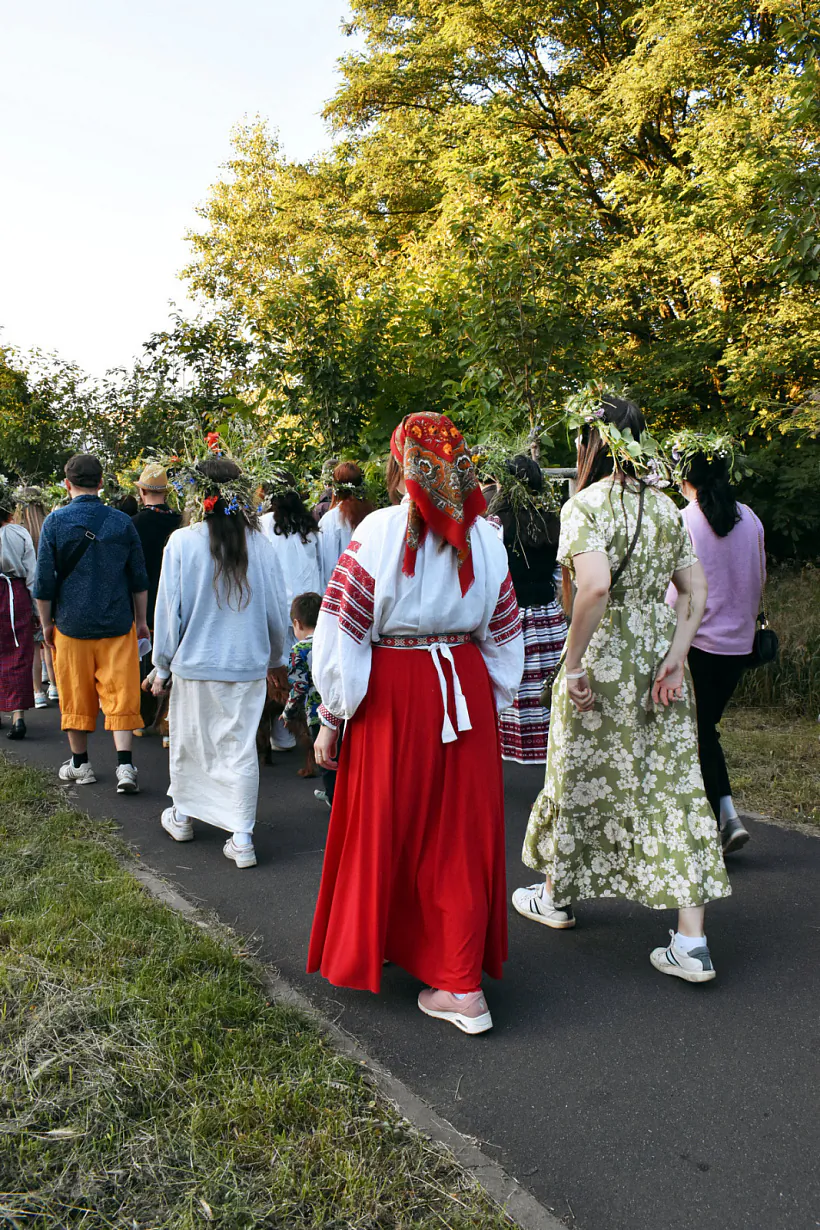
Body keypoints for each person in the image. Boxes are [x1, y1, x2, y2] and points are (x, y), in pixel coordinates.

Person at [310, 413, 524, 1035]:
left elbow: (344, 627)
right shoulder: (485, 536)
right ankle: (457, 980)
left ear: (401, 463)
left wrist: (332, 716)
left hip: (395, 692)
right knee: (458, 837)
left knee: (388, 823)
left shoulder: (377, 530)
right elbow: (505, 630)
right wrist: (491, 701)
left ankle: (414, 959)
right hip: (464, 688)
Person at [514, 396, 731, 984]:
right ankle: (692, 943)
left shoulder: (583, 506)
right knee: (672, 783)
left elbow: (594, 587)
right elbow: (696, 590)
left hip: (603, 658)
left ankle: (556, 897)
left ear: (589, 442)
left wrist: (574, 666)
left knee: (576, 772)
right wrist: (675, 657)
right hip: (658, 657)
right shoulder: (665, 507)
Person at [152, 453, 288, 870]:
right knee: (239, 750)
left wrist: (161, 666)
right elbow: (276, 609)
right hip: (246, 664)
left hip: (195, 663)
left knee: (191, 744)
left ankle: (183, 817)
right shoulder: (260, 544)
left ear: (199, 494)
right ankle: (241, 837)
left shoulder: (183, 541)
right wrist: (277, 658)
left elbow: (169, 611)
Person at [668, 443, 764, 854]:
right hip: (739, 643)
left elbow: (674, 592)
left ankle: (715, 824)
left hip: (697, 642)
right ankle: (725, 817)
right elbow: (760, 575)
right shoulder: (750, 518)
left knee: (695, 732)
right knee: (705, 728)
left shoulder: (684, 520)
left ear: (683, 478)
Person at [34, 454, 149, 793]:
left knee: (75, 693)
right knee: (122, 693)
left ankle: (81, 765)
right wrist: (141, 621)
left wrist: (46, 623)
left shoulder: (55, 523)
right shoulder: (122, 522)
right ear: (101, 483)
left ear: (67, 484)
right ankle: (125, 767)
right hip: (117, 623)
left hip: (71, 625)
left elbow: (44, 582)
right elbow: (139, 578)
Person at [487, 455, 567, 763]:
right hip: (547, 616)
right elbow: (559, 574)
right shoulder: (553, 520)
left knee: (518, 686)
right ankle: (552, 749)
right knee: (548, 686)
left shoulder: (496, 525)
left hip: (512, 618)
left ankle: (515, 750)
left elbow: (493, 575)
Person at [259, 470, 322, 752]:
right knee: (308, 667)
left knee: (279, 668)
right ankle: (311, 726)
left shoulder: (263, 525)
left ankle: (283, 733)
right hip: (309, 603)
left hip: (278, 603)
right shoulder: (308, 525)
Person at [131, 463, 183, 735]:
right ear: (166, 492)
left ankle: (142, 719)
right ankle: (168, 722)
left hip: (144, 601)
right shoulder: (181, 522)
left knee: (144, 660)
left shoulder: (135, 524)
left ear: (142, 492)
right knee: (173, 658)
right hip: (175, 600)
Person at [282, 591, 336, 798]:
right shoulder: (334, 642)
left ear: (297, 623)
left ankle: (331, 796)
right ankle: (344, 796)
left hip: (316, 713)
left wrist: (287, 713)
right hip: (339, 709)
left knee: (325, 758)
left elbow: (298, 687)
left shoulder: (299, 649)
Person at [14, 485, 58, 708]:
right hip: (50, 590)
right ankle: (55, 686)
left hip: (26, 592)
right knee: (49, 643)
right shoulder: (49, 525)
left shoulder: (19, 531)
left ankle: (37, 692)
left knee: (32, 647)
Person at [0, 482, 37, 739]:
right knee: (19, 654)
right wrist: (38, 609)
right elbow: (32, 574)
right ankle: (17, 717)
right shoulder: (19, 533)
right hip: (17, 594)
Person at [317, 462, 376, 587]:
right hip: (368, 586)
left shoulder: (331, 520)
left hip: (342, 588)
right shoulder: (372, 515)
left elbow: (328, 563)